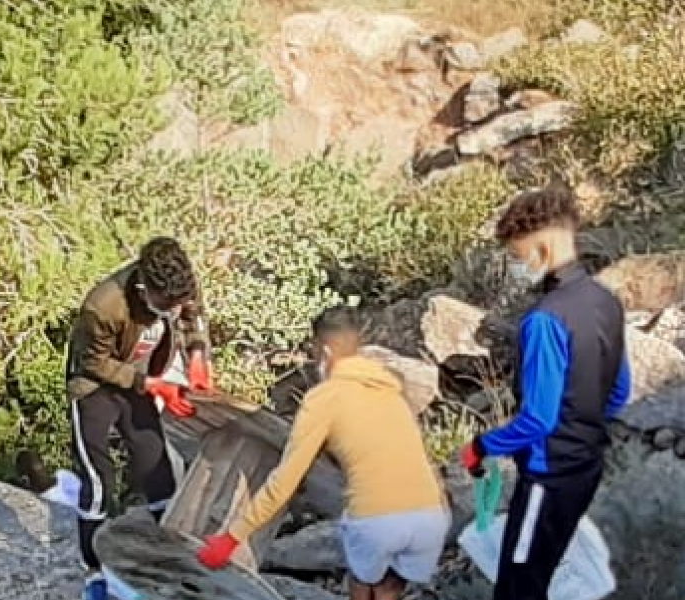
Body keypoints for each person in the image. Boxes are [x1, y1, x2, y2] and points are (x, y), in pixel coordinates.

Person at [196, 306, 451, 600]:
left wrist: (231, 538)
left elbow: (285, 481)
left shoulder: (323, 399)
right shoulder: (391, 391)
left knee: (362, 581)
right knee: (388, 587)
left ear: (326, 353)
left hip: (377, 522)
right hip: (431, 518)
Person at [459, 186, 631, 600]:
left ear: (543, 244)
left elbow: (538, 418)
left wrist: (482, 445)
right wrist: (584, 429)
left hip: (548, 477)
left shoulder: (544, 321)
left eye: (518, 256)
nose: (518, 266)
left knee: (520, 589)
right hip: (586, 468)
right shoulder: (605, 302)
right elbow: (620, 390)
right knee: (542, 572)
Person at [65, 236, 213, 600]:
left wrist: (196, 356)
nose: (172, 310)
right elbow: (92, 362)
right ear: (146, 287)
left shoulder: (180, 287)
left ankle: (165, 558)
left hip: (140, 377)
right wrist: (152, 385)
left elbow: (194, 317)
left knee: (157, 468)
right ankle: (94, 570)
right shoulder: (103, 305)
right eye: (166, 304)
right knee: (99, 482)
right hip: (94, 387)